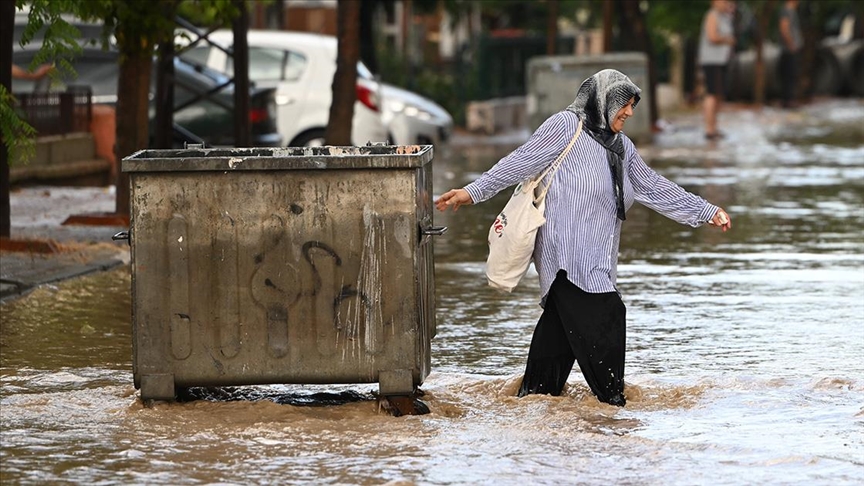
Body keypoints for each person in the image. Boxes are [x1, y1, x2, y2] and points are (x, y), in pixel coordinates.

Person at [435, 69, 732, 407]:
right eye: (624, 103)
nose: (629, 112)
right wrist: (473, 192)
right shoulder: (566, 127)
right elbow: (520, 162)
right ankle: (614, 417)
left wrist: (705, 210)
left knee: (545, 378)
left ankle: (526, 410)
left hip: (599, 261)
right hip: (566, 258)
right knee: (608, 320)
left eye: (633, 105)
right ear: (603, 100)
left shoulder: (621, 147)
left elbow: (653, 186)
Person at [698, 0, 736, 140]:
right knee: (712, 93)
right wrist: (728, 40)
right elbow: (712, 36)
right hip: (712, 61)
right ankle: (709, 129)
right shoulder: (712, 16)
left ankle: (714, 127)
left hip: (721, 61)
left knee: (718, 94)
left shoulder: (724, 17)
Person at [778, 0, 803, 108]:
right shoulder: (786, 11)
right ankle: (788, 101)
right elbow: (784, 28)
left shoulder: (792, 11)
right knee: (789, 75)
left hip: (792, 49)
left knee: (792, 75)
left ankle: (790, 100)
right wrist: (791, 44)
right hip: (788, 50)